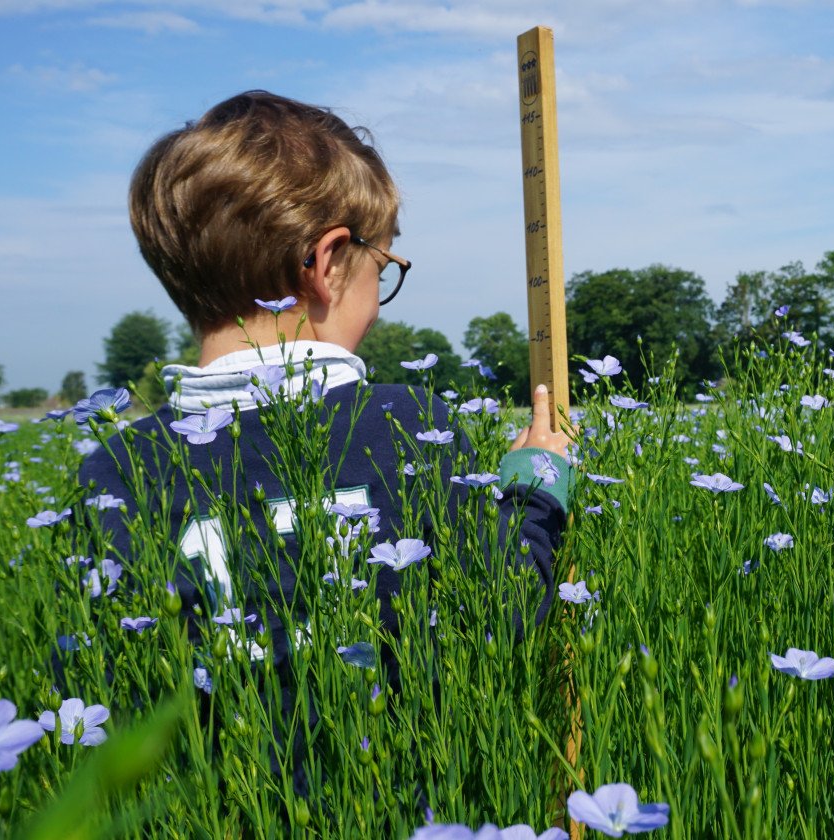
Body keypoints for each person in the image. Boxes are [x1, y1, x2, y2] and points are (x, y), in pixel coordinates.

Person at [77, 89, 574, 674]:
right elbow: (505, 608)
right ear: (329, 263)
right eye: (381, 269)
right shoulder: (408, 424)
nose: (379, 303)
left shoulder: (115, 468)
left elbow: (104, 676)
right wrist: (536, 491)